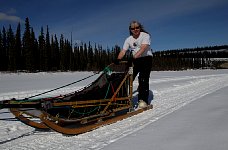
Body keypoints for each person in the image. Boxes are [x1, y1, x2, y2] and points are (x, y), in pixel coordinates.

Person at [115, 20, 152, 108]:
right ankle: (123, 98)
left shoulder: (145, 35)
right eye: (133, 28)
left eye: (137, 27)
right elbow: (123, 51)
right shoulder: (128, 39)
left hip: (146, 59)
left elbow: (143, 48)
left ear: (140, 28)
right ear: (130, 29)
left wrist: (133, 57)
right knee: (128, 77)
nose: (135, 29)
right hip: (135, 61)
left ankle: (143, 100)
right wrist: (118, 59)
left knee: (143, 79)